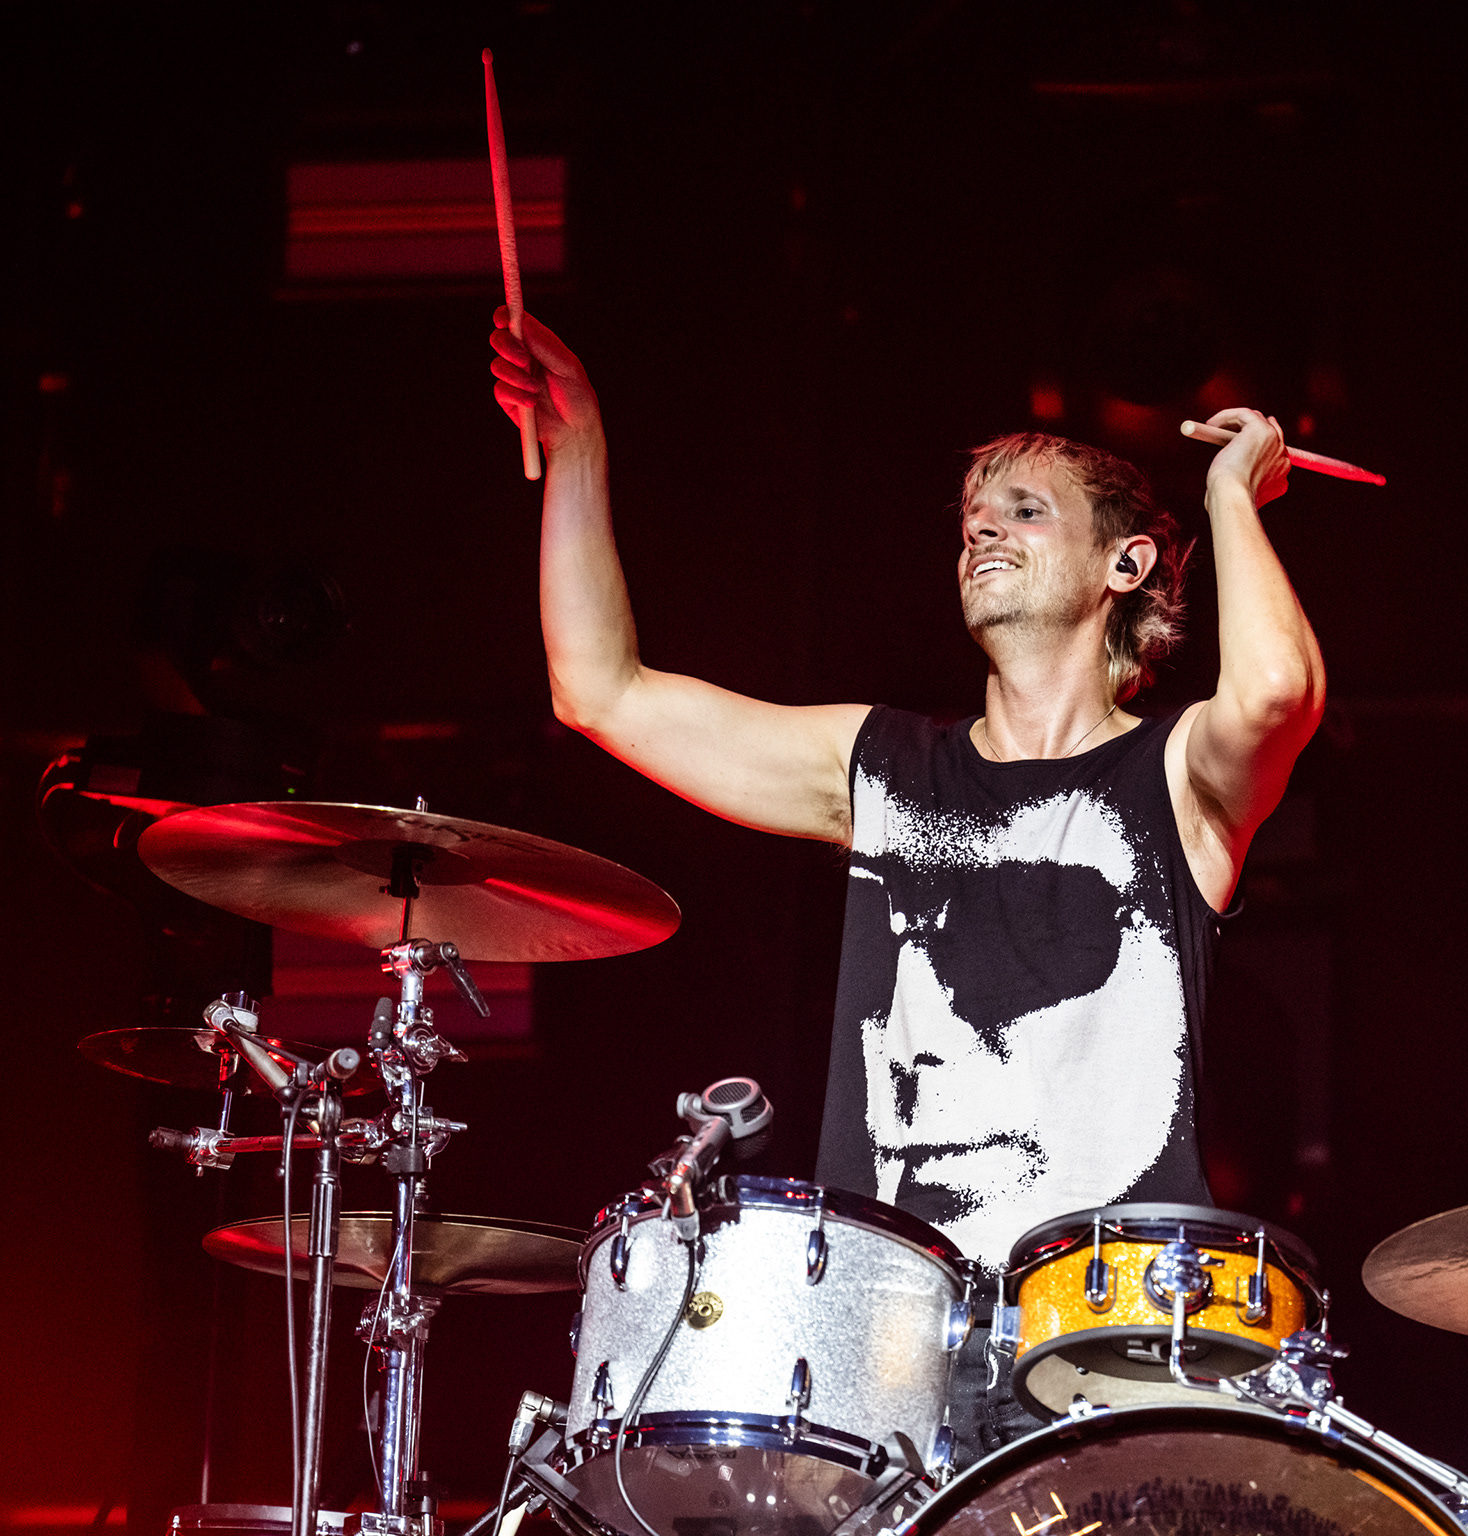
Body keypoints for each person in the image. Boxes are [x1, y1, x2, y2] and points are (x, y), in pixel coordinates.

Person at [489, 308, 1324, 1457]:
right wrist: (578, 443)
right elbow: (601, 692)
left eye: (1025, 510)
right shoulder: (884, 767)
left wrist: (1232, 497)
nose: (983, 529)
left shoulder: (1174, 775)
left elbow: (1277, 694)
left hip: (1110, 1336)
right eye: (975, 516)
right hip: (884, 1336)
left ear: (1125, 565)